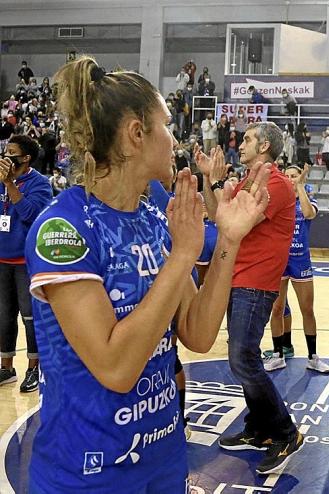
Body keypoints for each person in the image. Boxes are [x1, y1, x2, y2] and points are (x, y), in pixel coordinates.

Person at [24, 56, 271, 492]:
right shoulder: (63, 229)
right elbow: (116, 368)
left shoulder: (155, 218)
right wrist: (181, 256)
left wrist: (229, 241)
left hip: (163, 460)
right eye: (166, 125)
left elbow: (197, 332)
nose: (174, 138)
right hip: (87, 475)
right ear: (136, 134)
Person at [198, 122, 304, 474]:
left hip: (255, 281)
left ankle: (286, 433)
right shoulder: (249, 180)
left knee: (242, 357)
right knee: (243, 356)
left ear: (264, 147)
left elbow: (234, 221)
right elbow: (216, 216)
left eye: (246, 139)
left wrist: (218, 185)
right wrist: (210, 180)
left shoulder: (273, 182)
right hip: (240, 277)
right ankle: (259, 429)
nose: (239, 144)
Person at [263, 164, 329, 374]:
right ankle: (278, 355)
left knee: (307, 309)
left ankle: (313, 357)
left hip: (301, 261)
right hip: (279, 261)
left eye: (295, 176)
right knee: (276, 309)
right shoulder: (277, 202)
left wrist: (300, 186)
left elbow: (310, 214)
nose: (292, 179)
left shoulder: (307, 201)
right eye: (288, 176)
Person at [0, 135, 52, 392]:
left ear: (25, 158)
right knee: (4, 317)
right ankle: (6, 366)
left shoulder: (40, 184)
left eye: (11, 152)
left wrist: (9, 184)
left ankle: (34, 368)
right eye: (5, 151)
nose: (6, 156)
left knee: (30, 318)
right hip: (1, 259)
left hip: (25, 262)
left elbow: (32, 214)